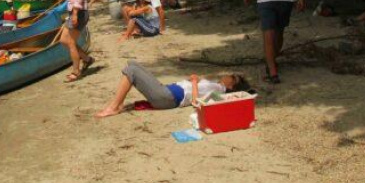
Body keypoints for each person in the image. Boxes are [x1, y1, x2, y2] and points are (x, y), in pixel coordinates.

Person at [95, 61, 250, 118]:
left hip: (167, 98)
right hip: (166, 93)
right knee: (133, 64)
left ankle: (114, 107)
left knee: (131, 71)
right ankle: (118, 104)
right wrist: (196, 80)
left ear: (232, 86)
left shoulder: (219, 90)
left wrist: (195, 82)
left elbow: (197, 102)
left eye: (233, 77)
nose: (229, 75)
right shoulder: (215, 86)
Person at [60, 0, 94, 81]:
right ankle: (87, 59)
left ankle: (76, 71)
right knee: (63, 40)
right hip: (74, 12)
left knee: (70, 42)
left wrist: (74, 14)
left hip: (79, 13)